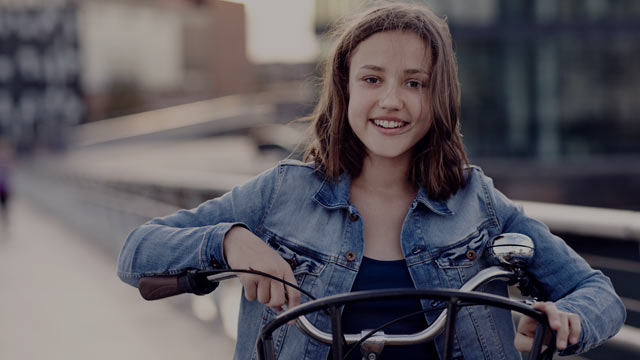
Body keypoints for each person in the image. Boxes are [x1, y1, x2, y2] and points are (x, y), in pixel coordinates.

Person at [117, 3, 625, 359]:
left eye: (415, 83)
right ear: (345, 88)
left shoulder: (479, 204)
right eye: (372, 78)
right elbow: (137, 250)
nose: (391, 101)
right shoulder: (279, 196)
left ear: (439, 97)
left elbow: (597, 292)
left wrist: (567, 321)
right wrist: (229, 242)